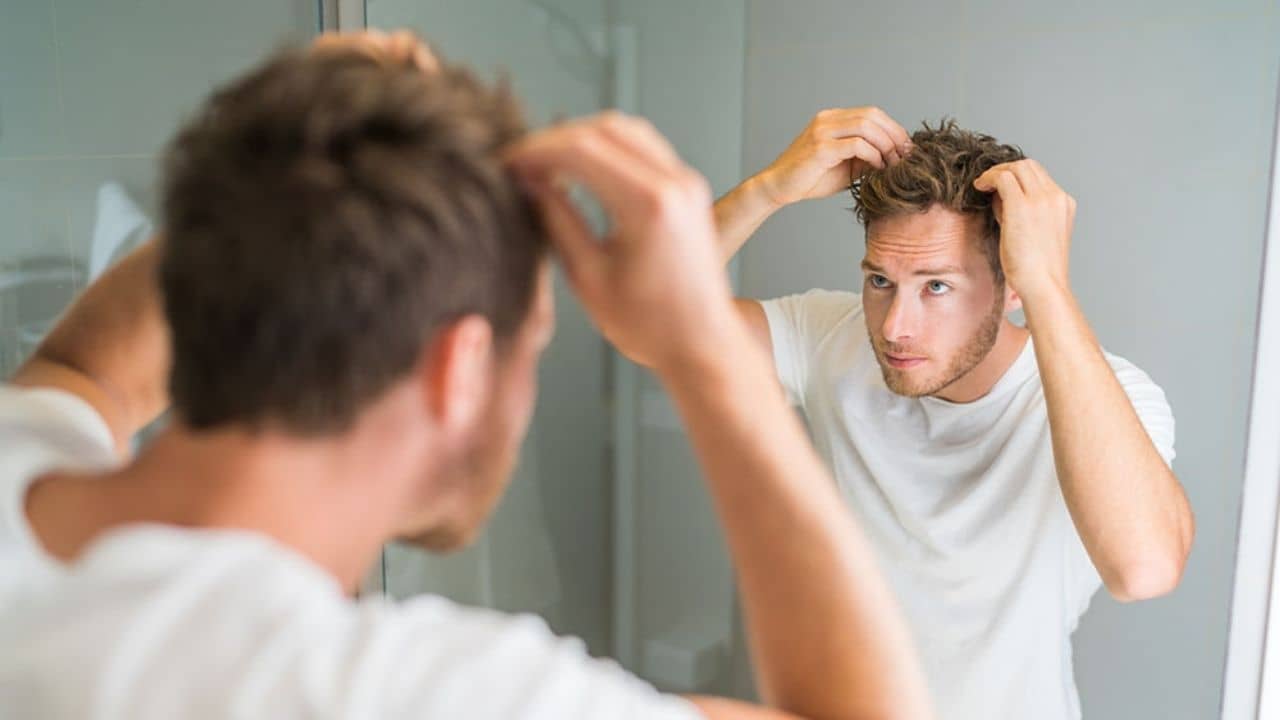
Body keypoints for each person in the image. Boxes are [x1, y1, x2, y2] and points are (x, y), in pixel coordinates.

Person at [0, 33, 932, 720]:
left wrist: (304, 158)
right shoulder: (394, 694)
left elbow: (84, 367)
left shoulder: (17, 462)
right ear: (460, 368)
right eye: (532, 343)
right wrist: (698, 343)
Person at [711, 108, 1196, 719]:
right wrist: (765, 190)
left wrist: (1048, 287)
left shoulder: (1107, 396)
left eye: (936, 286)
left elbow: (1145, 569)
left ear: (1011, 285)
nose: (895, 327)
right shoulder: (828, 338)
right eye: (881, 281)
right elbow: (650, 324)